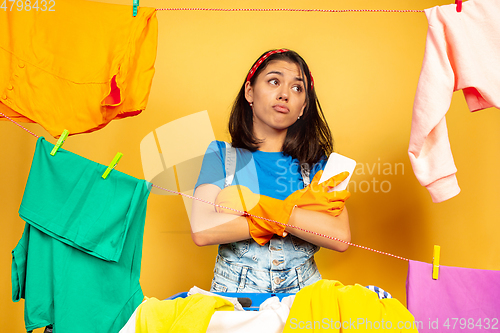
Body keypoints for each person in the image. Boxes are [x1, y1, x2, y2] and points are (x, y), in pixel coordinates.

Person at [190, 49, 351, 293]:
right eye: (274, 81)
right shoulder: (221, 155)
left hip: (303, 296)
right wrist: (293, 213)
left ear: (303, 108)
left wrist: (257, 209)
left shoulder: (316, 164)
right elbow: (202, 230)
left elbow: (339, 236)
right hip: (234, 300)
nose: (284, 94)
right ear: (250, 92)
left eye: (297, 88)